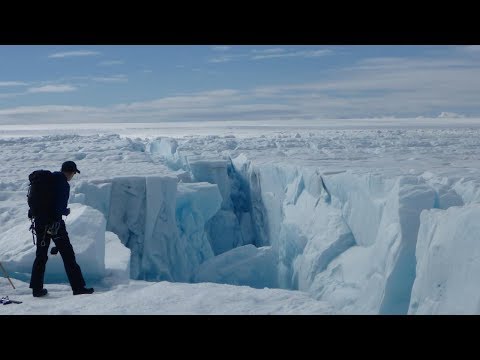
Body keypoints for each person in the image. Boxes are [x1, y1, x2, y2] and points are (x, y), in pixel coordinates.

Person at [29, 161, 94, 297]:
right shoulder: (62, 183)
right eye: (74, 173)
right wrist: (65, 211)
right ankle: (78, 287)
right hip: (55, 225)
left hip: (40, 223)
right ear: (70, 172)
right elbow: (58, 207)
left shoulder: (45, 181)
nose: (73, 176)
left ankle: (36, 289)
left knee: (41, 256)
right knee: (68, 255)